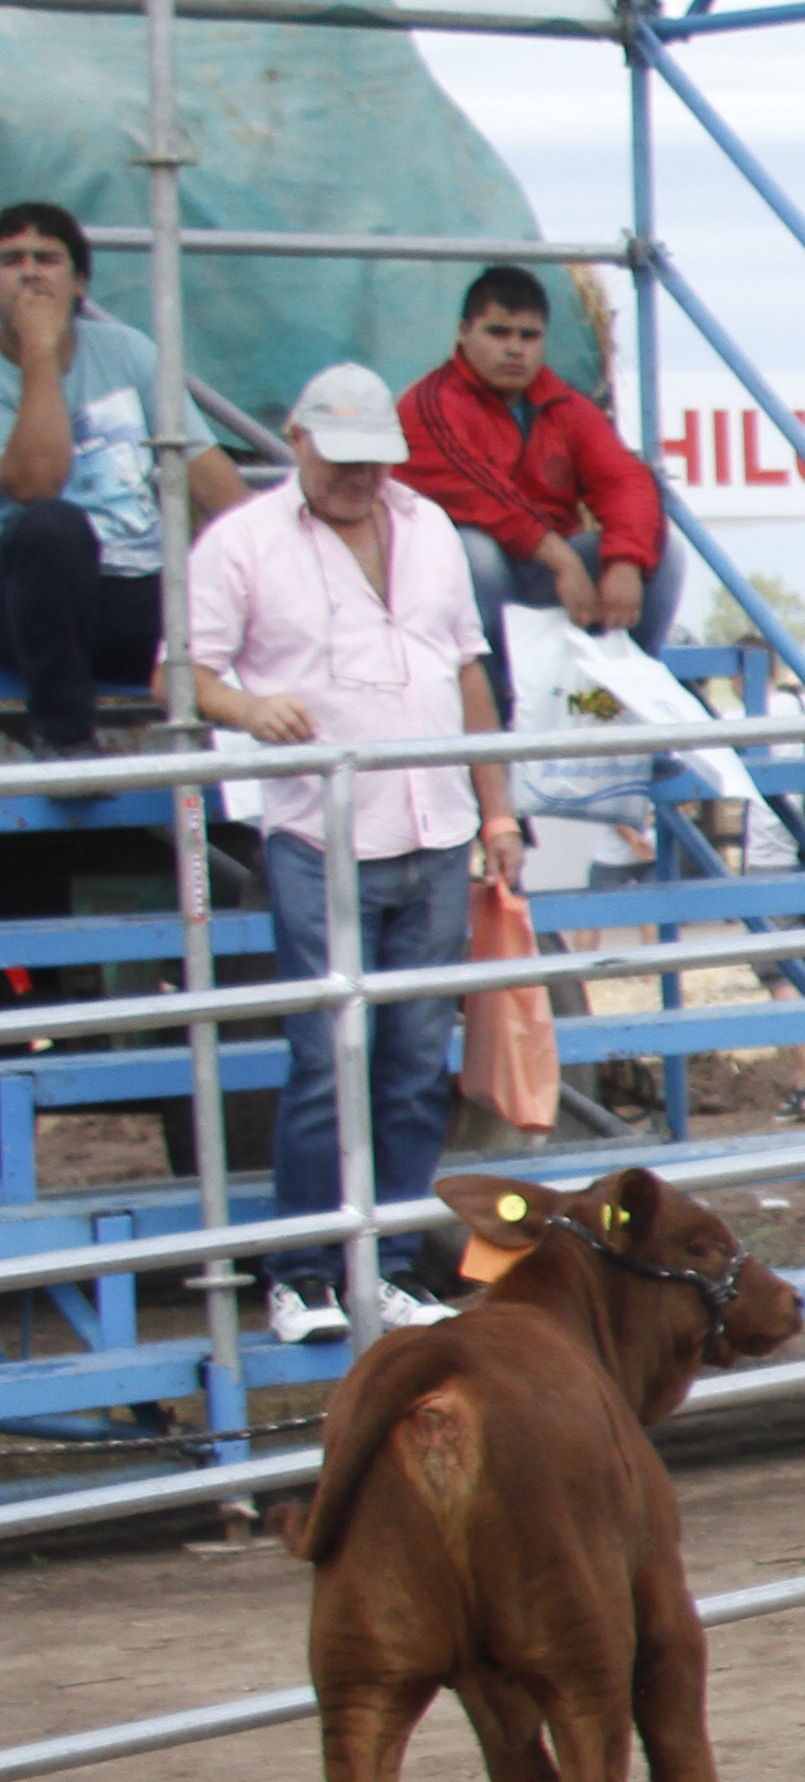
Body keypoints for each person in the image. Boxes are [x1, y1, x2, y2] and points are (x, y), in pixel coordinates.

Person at [184, 365, 523, 1346]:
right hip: (316, 828)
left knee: (415, 1062)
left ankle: (389, 1265)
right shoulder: (242, 542)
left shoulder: (430, 535)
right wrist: (250, 708)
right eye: (342, 461)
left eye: (374, 462)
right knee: (327, 1061)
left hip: (434, 822)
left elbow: (466, 672)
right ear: (295, 442)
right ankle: (302, 1272)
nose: (359, 479)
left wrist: (496, 811)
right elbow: (188, 669)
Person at [0, 196, 252, 752]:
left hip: (138, 599)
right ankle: (66, 743)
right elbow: (33, 484)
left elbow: (213, 482)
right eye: (12, 259)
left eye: (47, 258)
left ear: (80, 283)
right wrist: (39, 351)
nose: (30, 273)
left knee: (248, 564)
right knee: (51, 525)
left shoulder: (129, 351)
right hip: (26, 607)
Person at [392, 264, 673, 714]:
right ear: (464, 333)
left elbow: (626, 478)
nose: (514, 349)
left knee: (663, 556)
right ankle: (499, 706)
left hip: (539, 569)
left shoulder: (563, 404)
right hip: (450, 586)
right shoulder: (428, 405)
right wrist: (564, 561)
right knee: (473, 552)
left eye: (529, 336)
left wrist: (626, 562)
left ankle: (623, 700)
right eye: (499, 333)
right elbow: (482, 496)